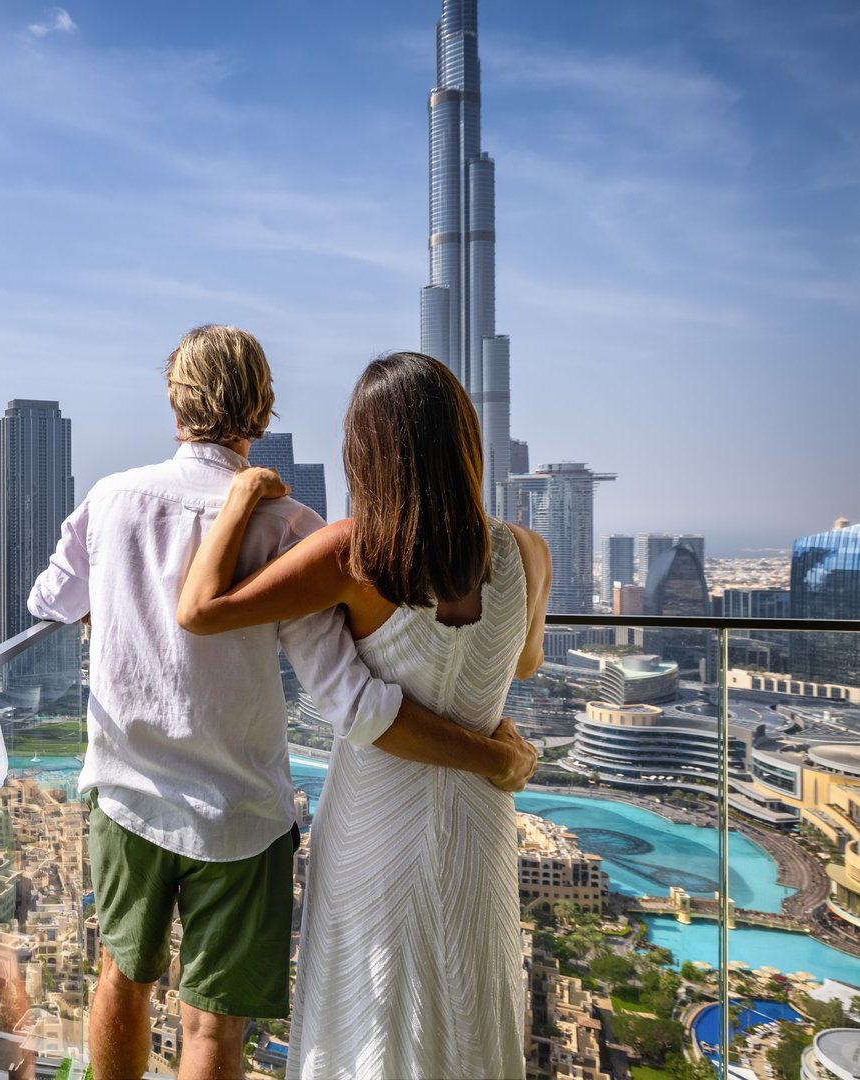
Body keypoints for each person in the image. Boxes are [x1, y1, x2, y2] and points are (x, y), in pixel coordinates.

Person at [27, 327, 537, 1080]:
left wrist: (114, 611)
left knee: (120, 978)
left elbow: (49, 600)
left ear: (174, 406)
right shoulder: (294, 529)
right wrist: (493, 751)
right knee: (212, 1029)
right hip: (241, 810)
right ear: (262, 414)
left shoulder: (111, 499)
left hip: (127, 789)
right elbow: (349, 694)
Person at [177, 350, 552, 1080]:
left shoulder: (353, 554)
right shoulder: (527, 552)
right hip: (480, 813)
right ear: (464, 442)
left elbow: (200, 611)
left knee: (368, 1007)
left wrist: (235, 504)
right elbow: (524, 662)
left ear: (366, 451)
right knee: (471, 994)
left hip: (376, 810)